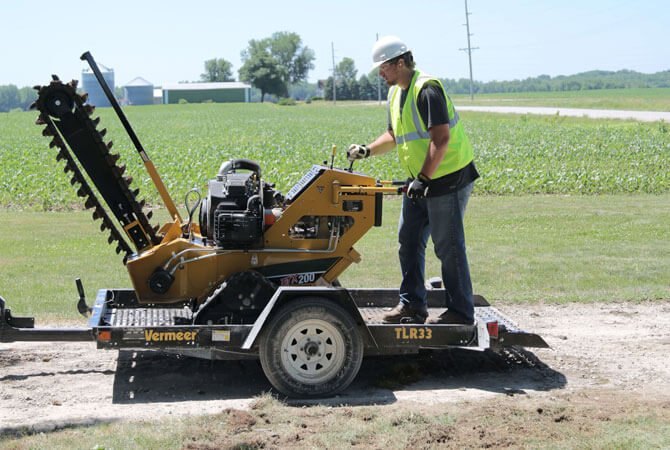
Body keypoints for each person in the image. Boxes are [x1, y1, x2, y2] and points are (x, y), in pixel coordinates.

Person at [348, 36, 479, 325]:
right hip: (422, 181)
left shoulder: (427, 88)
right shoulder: (396, 93)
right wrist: (367, 150)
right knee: (408, 240)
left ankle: (460, 312)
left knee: (448, 246)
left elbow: (441, 139)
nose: (380, 73)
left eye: (384, 67)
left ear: (400, 62)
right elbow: (394, 136)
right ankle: (412, 305)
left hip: (448, 178)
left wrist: (423, 178)